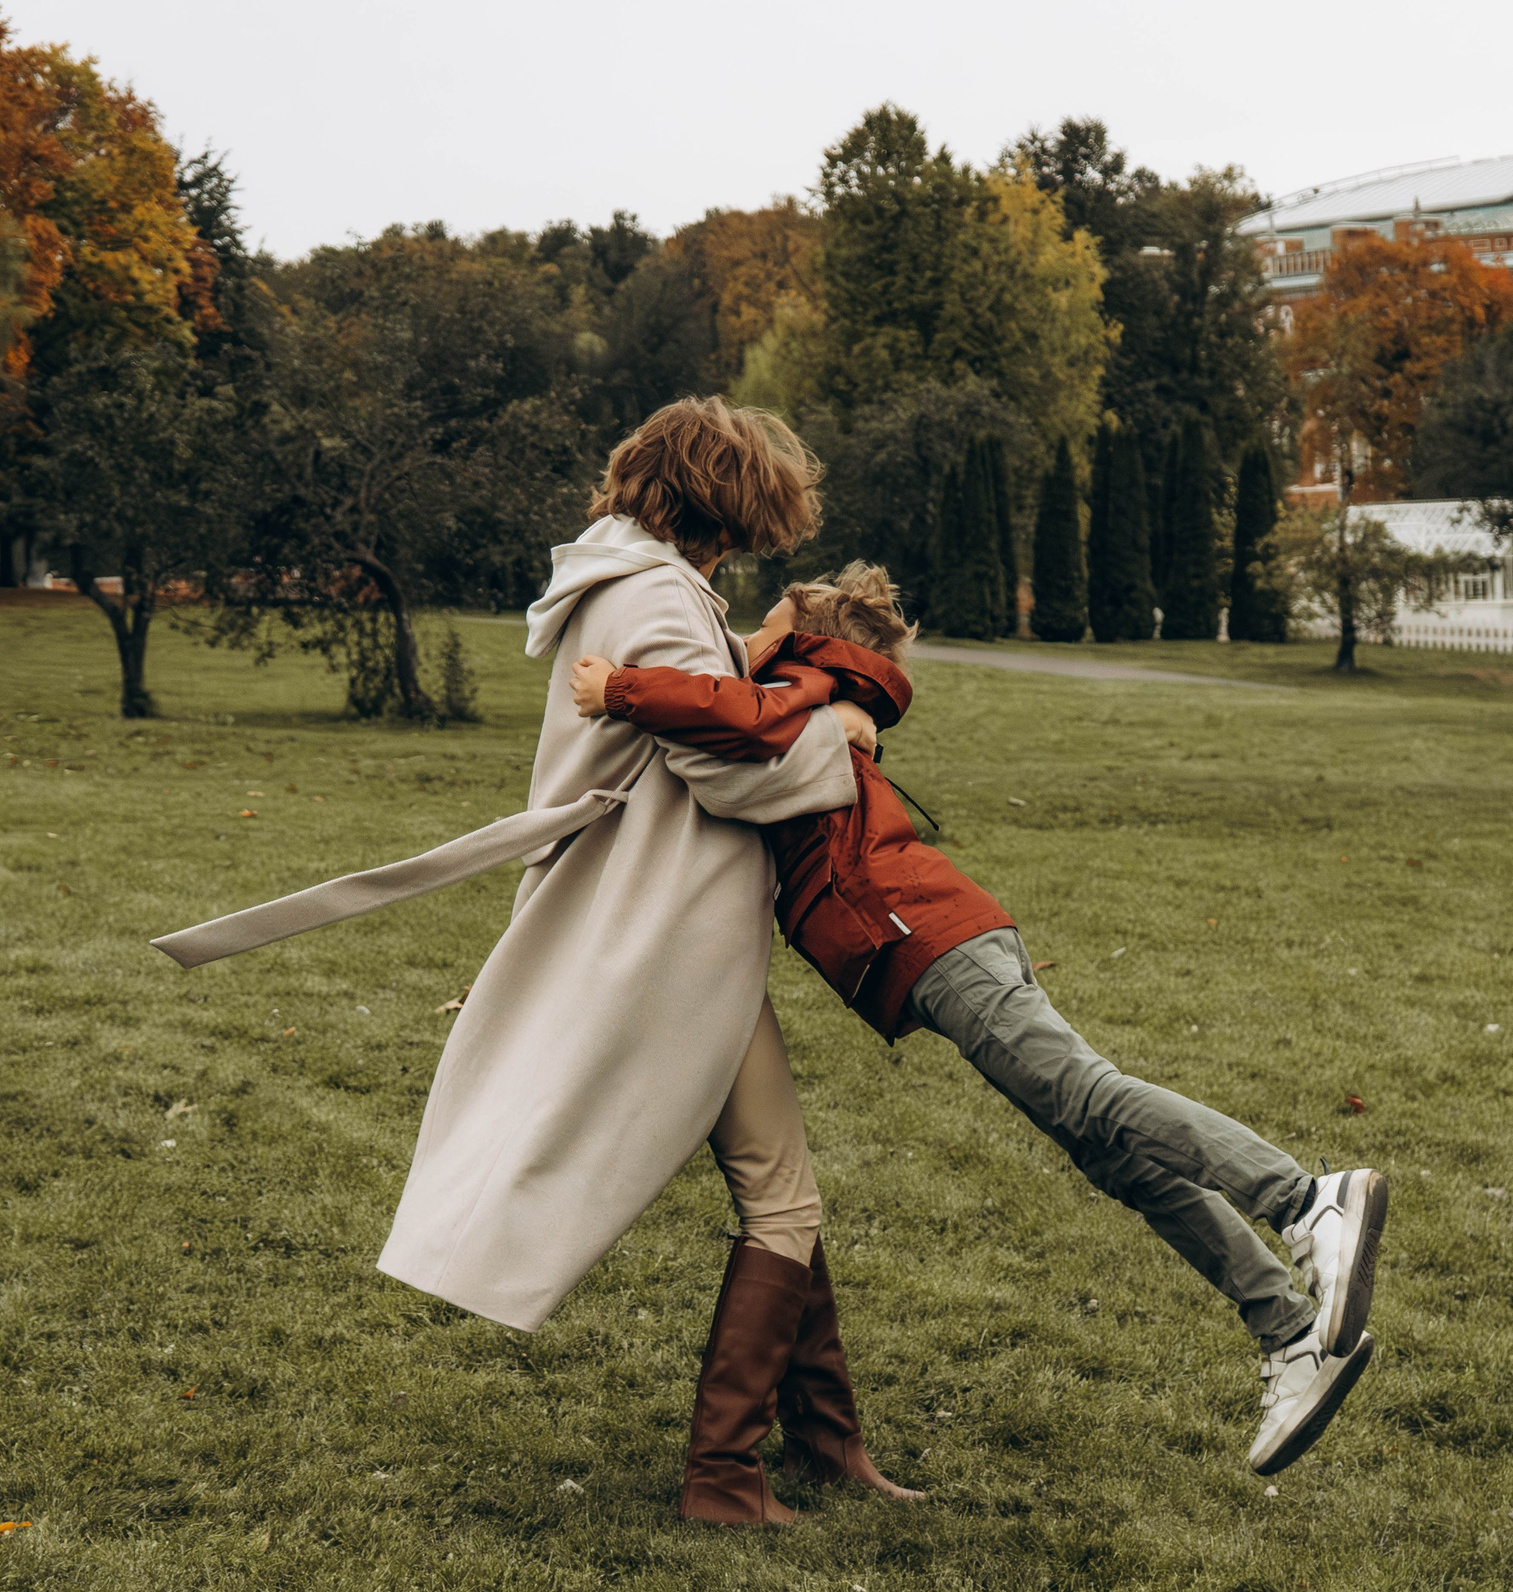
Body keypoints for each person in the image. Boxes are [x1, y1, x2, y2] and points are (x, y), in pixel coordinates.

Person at [162, 399, 919, 1526]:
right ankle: (731, 1476)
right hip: (661, 936)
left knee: (781, 1187)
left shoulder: (625, 577)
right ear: (721, 500)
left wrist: (759, 661)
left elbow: (693, 709)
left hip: (666, 926)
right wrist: (841, 736)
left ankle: (814, 1443)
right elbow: (724, 768)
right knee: (779, 1194)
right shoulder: (656, 593)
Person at [569, 564, 1387, 1475]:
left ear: (812, 637)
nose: (748, 635)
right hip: (943, 938)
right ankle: (1287, 1329)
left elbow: (736, 712)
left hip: (930, 937)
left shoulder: (798, 683)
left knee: (1090, 1099)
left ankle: (1308, 1198)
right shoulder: (817, 700)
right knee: (1111, 1151)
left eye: (766, 621)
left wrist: (618, 689)